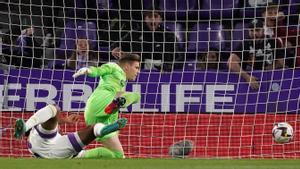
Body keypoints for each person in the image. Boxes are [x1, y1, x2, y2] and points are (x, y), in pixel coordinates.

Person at [72, 53, 141, 158]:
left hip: (100, 117)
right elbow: (99, 70)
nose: (138, 71)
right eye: (136, 67)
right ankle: (115, 105)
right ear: (126, 67)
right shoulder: (114, 67)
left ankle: (80, 155)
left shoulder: (120, 82)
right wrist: (88, 70)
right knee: (135, 96)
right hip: (101, 102)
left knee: (117, 156)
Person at [14, 104, 127, 159]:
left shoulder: (39, 135)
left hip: (47, 149)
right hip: (63, 152)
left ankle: (26, 125)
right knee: (54, 109)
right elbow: (53, 118)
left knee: (53, 111)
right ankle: (102, 130)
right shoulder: (38, 133)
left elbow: (53, 119)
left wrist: (66, 120)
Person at [111, 6, 180, 72]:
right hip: (139, 73)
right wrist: (115, 48)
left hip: (163, 73)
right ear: (145, 19)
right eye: (149, 16)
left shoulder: (169, 36)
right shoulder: (136, 33)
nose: (152, 19)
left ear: (160, 19)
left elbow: (179, 57)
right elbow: (116, 45)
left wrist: (171, 66)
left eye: (155, 16)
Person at [227, 19, 285, 90]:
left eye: (257, 30)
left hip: (271, 79)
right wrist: (247, 77)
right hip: (252, 80)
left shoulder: (272, 41)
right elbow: (231, 62)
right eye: (251, 30)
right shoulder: (245, 44)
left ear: (263, 31)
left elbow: (282, 62)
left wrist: (273, 67)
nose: (254, 33)